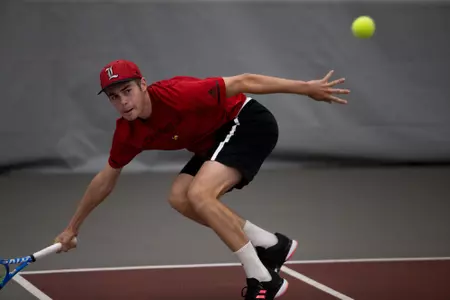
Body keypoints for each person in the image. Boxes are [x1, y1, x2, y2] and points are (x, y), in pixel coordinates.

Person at [54, 59, 349, 300]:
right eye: (113, 97)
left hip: (246, 123)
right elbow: (105, 179)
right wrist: (71, 228)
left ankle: (262, 278)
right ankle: (271, 244)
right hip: (214, 140)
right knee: (180, 197)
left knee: (200, 195)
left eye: (127, 90)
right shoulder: (128, 133)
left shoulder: (179, 94)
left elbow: (245, 81)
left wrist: (306, 88)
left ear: (143, 85)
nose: (123, 101)